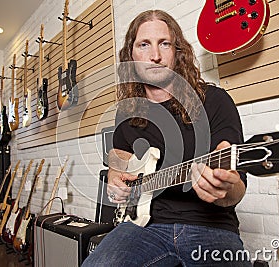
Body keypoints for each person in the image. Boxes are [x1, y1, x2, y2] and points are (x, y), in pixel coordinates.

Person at [83, 10, 251, 266]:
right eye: (144, 45)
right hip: (145, 225)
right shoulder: (127, 113)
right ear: (132, 55)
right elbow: (117, 157)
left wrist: (225, 188)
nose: (155, 56)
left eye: (164, 43)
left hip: (212, 226)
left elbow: (237, 189)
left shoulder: (215, 101)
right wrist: (116, 180)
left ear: (177, 52)